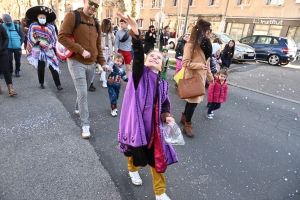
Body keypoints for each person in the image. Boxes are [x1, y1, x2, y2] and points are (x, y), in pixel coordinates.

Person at [117, 12, 178, 200]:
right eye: (151, 56)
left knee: (156, 158)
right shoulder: (139, 76)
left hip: (154, 129)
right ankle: (132, 169)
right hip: (137, 126)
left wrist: (166, 115)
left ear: (162, 67)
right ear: (144, 61)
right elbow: (137, 52)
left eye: (158, 58)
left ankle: (160, 193)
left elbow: (165, 104)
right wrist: (135, 30)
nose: (154, 58)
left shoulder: (163, 84)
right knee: (134, 152)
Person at [58, 0, 109, 139]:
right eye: (92, 3)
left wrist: (102, 62)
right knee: (83, 93)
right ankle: (85, 125)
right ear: (85, 1)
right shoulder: (73, 16)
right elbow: (62, 37)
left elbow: (98, 45)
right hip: (76, 61)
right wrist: (80, 50)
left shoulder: (96, 22)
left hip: (91, 63)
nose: (94, 7)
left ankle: (77, 108)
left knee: (84, 90)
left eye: (97, 5)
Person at [181, 18, 214, 137]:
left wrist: (210, 78)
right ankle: (187, 125)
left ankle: (184, 117)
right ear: (203, 31)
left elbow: (207, 63)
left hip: (201, 78)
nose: (210, 32)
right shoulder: (190, 45)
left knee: (191, 101)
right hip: (192, 77)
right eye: (209, 30)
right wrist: (199, 65)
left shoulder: (206, 45)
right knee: (193, 103)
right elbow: (185, 63)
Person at [25, 6, 63, 91]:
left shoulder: (51, 27)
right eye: (40, 17)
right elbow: (30, 36)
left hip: (48, 49)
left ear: (46, 18)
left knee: (53, 66)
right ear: (37, 18)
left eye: (44, 17)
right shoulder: (33, 26)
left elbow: (54, 38)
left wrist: (51, 45)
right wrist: (39, 42)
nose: (42, 19)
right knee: (41, 67)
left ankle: (58, 84)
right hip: (38, 49)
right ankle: (41, 82)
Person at [0, 23, 17, 96]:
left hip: (2, 52)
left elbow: (6, 38)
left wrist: (3, 47)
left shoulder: (0, 27)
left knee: (6, 70)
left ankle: (10, 88)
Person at [99, 18, 115, 88]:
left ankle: (102, 77)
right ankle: (104, 81)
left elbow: (114, 43)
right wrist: (101, 47)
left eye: (109, 25)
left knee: (108, 65)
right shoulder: (100, 33)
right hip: (103, 51)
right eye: (107, 25)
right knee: (104, 65)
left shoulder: (110, 33)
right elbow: (97, 42)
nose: (109, 26)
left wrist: (112, 37)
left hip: (109, 51)